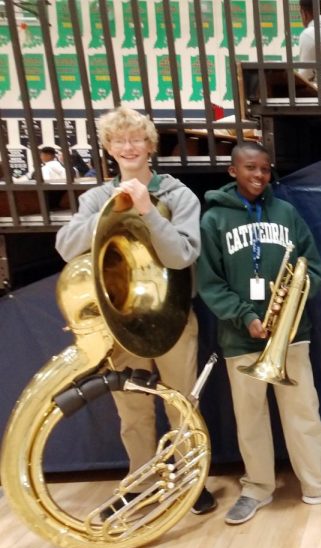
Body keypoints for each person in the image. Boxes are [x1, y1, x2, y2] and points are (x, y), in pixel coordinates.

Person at [54, 106, 216, 516]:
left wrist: (146, 210)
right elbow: (65, 246)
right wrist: (110, 209)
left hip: (174, 316)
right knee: (133, 409)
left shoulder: (176, 194)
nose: (128, 147)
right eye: (119, 140)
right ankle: (142, 482)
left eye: (136, 139)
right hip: (122, 320)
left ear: (150, 145)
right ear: (109, 147)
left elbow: (181, 255)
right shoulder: (95, 197)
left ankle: (190, 480)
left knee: (181, 403)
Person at [198, 142, 321, 525]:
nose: (258, 176)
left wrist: (289, 309)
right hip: (241, 337)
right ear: (232, 171)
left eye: (264, 169)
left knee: (303, 412)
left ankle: (319, 484)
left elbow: (313, 268)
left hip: (290, 335)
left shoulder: (286, 213)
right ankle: (256, 488)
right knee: (250, 419)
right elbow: (209, 284)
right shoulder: (214, 221)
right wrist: (245, 317)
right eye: (250, 168)